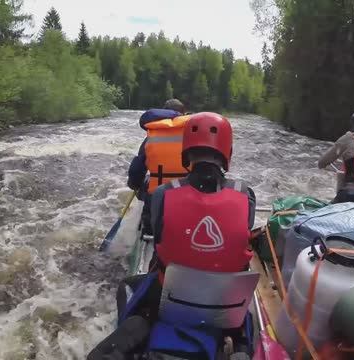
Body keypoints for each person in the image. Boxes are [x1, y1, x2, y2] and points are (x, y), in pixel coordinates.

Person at [88, 112, 256, 360]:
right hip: (225, 299)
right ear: (226, 153)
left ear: (186, 151)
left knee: (128, 286)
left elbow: (159, 238)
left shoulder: (162, 194)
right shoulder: (247, 195)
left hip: (172, 293)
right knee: (245, 321)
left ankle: (140, 327)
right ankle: (238, 343)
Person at [127, 99, 189, 235]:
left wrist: (135, 185)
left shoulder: (152, 135)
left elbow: (137, 169)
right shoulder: (194, 133)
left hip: (157, 198)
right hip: (189, 195)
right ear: (183, 114)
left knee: (146, 183)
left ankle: (146, 229)